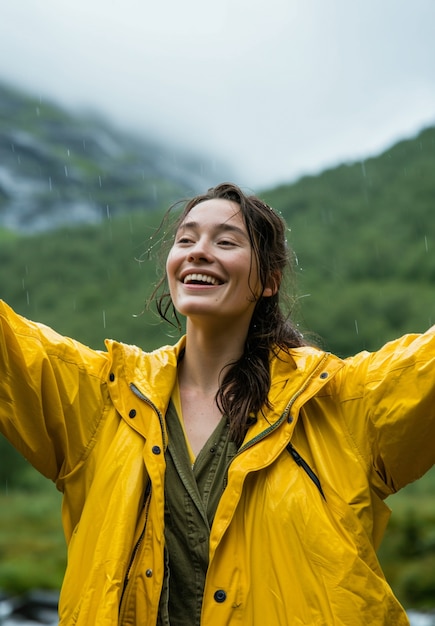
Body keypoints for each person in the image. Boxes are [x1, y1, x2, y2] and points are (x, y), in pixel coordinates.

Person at [0, 182, 434, 626]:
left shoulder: (337, 403)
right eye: (185, 239)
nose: (198, 251)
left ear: (269, 280)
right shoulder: (105, 399)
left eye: (225, 242)